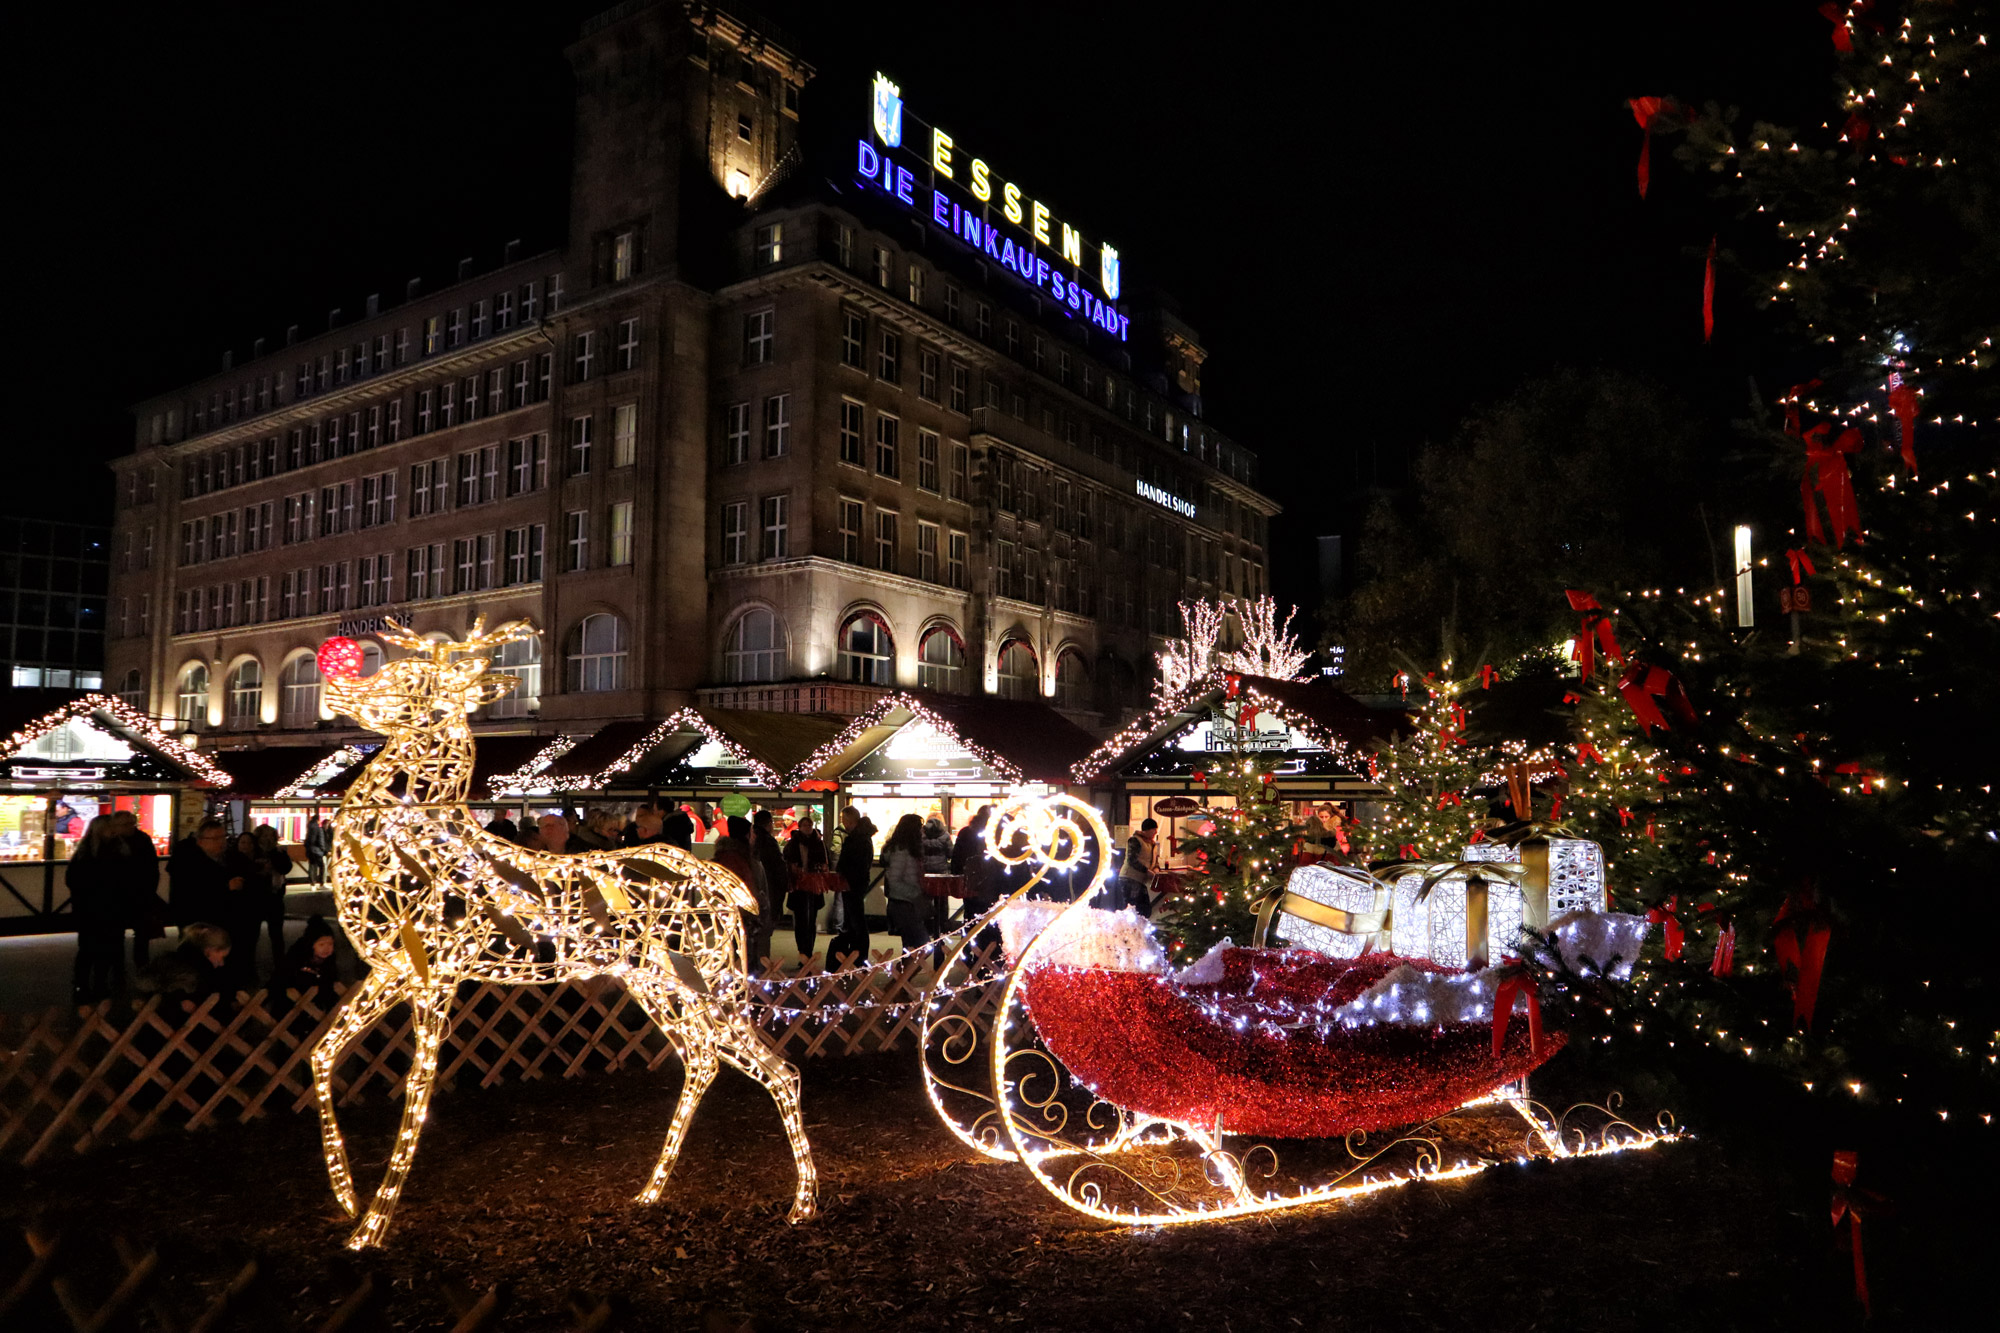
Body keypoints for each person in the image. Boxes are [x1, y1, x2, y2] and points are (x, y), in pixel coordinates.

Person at [65, 815, 131, 1004]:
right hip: (103, 909)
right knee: (95, 948)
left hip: (95, 909)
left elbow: (73, 880)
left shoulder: (88, 853)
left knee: (91, 948)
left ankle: (85, 984)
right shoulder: (115, 851)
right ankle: (93, 984)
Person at [134, 922, 232, 1015]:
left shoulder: (168, 962)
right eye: (222, 957)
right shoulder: (197, 972)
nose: (222, 963)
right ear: (209, 951)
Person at [713, 816, 771, 968]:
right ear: (745, 835)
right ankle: (742, 987)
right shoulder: (735, 858)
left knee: (742, 953)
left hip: (738, 914)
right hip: (741, 914)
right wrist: (756, 906)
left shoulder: (735, 855)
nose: (754, 835)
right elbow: (745, 887)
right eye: (751, 832)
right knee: (744, 955)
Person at [111, 810, 164, 970]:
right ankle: (120, 965)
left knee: (141, 933)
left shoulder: (141, 839)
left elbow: (152, 868)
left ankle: (140, 965)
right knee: (119, 933)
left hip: (139, 894)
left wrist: (149, 889)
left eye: (131, 824)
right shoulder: (115, 842)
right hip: (121, 895)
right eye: (125, 824)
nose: (130, 827)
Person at [826, 805, 875, 969]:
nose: (842, 823)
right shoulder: (862, 837)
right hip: (856, 883)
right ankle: (857, 954)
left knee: (856, 920)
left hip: (852, 883)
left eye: (843, 819)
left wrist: (843, 872)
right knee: (855, 919)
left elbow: (851, 863)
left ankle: (858, 954)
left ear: (849, 820)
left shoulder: (856, 838)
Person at [880, 813, 931, 953]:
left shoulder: (909, 849)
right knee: (922, 945)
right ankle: (902, 974)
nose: (922, 831)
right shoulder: (901, 851)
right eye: (920, 827)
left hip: (906, 903)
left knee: (911, 947)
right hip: (903, 904)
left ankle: (902, 973)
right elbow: (895, 881)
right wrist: (916, 894)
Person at [783, 812, 829, 962]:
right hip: (799, 886)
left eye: (809, 825)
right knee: (801, 920)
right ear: (800, 827)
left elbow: (825, 861)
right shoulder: (794, 843)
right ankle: (802, 950)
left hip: (813, 885)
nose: (807, 828)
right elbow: (787, 859)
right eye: (804, 825)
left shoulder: (818, 842)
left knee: (811, 920)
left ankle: (808, 950)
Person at [272, 914, 341, 1003]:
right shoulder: (297, 955)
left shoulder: (330, 960)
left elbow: (332, 977)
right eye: (321, 944)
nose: (326, 948)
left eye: (330, 944)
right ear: (311, 944)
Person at [253, 825, 294, 973]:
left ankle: (280, 965)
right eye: (264, 836)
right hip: (256, 899)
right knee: (252, 934)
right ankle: (250, 965)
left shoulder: (278, 852)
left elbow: (286, 867)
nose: (267, 839)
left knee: (276, 934)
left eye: (270, 836)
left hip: (274, 897)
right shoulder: (253, 853)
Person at [1120, 818, 1159, 919]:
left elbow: (1155, 861)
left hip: (1141, 881)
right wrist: (1146, 871)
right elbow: (1132, 860)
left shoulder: (1153, 845)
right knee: (1134, 908)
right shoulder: (1135, 841)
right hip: (1130, 879)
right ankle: (1131, 930)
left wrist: (1155, 869)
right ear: (1147, 830)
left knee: (1144, 910)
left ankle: (1139, 929)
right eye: (1153, 829)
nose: (1155, 832)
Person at [303, 815, 329, 885]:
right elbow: (321, 841)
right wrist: (323, 849)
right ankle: (322, 882)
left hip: (310, 851)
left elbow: (307, 841)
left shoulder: (309, 829)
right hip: (318, 851)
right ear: (318, 820)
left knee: (312, 866)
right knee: (322, 866)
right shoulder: (319, 829)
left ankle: (312, 882)